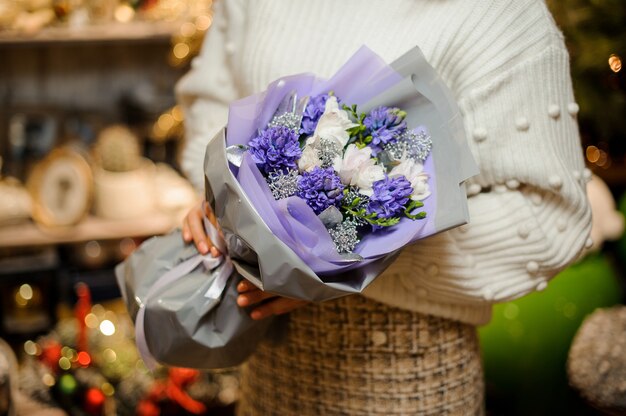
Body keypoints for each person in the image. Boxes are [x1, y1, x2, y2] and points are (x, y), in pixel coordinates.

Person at [176, 1, 592, 414]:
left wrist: (346, 266)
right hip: (267, 371)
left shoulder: (499, 12)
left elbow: (550, 221)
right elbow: (211, 99)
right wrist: (221, 197)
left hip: (408, 374)